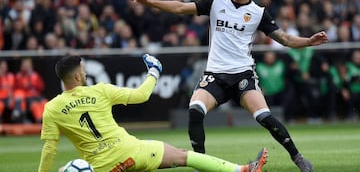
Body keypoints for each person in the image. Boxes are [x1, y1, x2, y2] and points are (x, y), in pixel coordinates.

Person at [131, 0, 328, 172]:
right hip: (215, 75)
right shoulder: (216, 3)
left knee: (264, 116)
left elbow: (285, 39)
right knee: (195, 109)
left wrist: (309, 41)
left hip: (243, 74)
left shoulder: (258, 13)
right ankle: (202, 164)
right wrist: (151, 3)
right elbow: (181, 7)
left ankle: (298, 158)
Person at [38, 54, 268, 172]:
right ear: (78, 77)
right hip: (133, 151)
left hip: (102, 167)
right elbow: (141, 95)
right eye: (84, 71)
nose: (86, 73)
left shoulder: (52, 108)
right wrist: (154, 72)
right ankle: (243, 170)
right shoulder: (100, 90)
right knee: (184, 156)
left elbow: (50, 149)